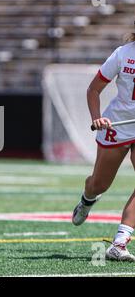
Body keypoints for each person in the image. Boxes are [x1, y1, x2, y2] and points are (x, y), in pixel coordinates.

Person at [72, 29, 135, 262]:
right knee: (99, 184)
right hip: (117, 126)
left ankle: (119, 243)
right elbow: (94, 89)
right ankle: (87, 200)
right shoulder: (123, 54)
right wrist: (97, 117)